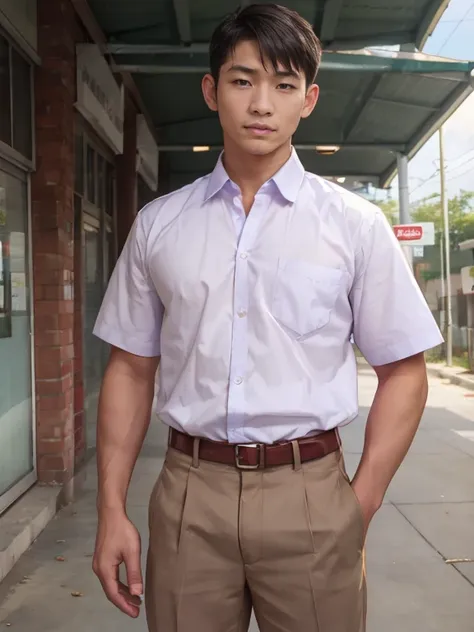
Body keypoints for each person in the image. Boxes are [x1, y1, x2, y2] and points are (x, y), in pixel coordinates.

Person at [91, 4, 444, 632]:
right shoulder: (160, 225)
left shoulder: (353, 225)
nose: (261, 103)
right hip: (189, 494)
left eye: (283, 85)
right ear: (211, 90)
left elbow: (404, 371)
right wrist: (111, 508)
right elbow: (130, 368)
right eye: (243, 79)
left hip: (309, 491)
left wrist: (358, 503)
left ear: (308, 100)